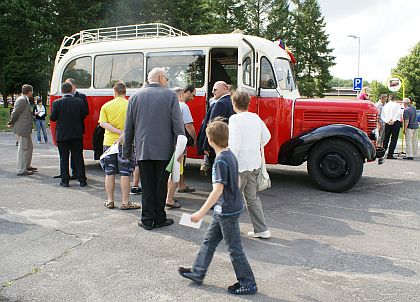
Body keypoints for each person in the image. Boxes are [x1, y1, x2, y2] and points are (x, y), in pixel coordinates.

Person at [179, 120, 257, 295]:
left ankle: (248, 282)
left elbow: (217, 190)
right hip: (227, 208)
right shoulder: (230, 155)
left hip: (225, 210)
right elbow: (235, 181)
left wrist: (200, 213)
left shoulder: (220, 161)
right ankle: (198, 272)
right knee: (209, 241)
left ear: (210, 139)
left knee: (234, 248)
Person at [123, 67, 185, 230]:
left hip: (143, 149)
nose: (167, 81)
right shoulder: (170, 95)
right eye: (166, 77)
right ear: (160, 78)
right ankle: (159, 217)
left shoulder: (135, 96)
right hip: (165, 150)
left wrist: (126, 151)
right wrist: (180, 149)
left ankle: (147, 219)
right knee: (160, 184)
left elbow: (128, 127)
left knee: (147, 185)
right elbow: (178, 125)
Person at [229, 91, 272, 239]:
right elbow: (267, 137)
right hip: (254, 163)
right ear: (248, 103)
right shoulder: (256, 117)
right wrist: (254, 146)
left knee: (232, 199)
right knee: (252, 198)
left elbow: (234, 144)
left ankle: (230, 231)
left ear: (234, 104)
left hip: (240, 165)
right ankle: (261, 229)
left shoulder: (234, 119)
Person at [99, 82, 141, 210]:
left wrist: (116, 132)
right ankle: (125, 202)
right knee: (125, 173)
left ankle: (110, 200)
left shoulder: (106, 105)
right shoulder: (130, 105)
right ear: (125, 92)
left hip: (109, 144)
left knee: (109, 173)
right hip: (125, 144)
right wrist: (123, 133)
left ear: (115, 92)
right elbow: (135, 124)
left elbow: (102, 123)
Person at [50, 82, 88, 187]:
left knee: (64, 158)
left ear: (62, 91)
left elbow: (53, 118)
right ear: (72, 90)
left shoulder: (56, 103)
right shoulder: (79, 102)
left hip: (62, 135)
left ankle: (65, 181)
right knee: (78, 157)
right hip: (76, 134)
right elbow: (84, 114)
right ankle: (82, 180)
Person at [165, 85, 197, 209]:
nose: (193, 98)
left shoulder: (164, 106)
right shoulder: (183, 106)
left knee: (166, 169)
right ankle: (169, 198)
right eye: (192, 95)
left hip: (164, 142)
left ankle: (177, 189)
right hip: (177, 142)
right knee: (176, 169)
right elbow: (188, 125)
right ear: (181, 94)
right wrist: (194, 138)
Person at [197, 81, 235, 176]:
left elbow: (212, 126)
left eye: (215, 89)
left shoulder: (220, 103)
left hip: (216, 144)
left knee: (216, 173)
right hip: (226, 142)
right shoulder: (231, 102)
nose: (213, 92)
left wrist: (206, 146)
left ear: (225, 88)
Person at [7, 84, 37, 176]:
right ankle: (21, 169)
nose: (32, 93)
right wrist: (11, 122)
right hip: (22, 128)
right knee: (23, 148)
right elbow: (15, 112)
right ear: (29, 91)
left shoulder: (24, 99)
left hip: (25, 128)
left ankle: (27, 165)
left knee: (29, 147)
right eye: (32, 91)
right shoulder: (22, 100)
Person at [381, 93, 402, 159]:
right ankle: (390, 154)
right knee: (394, 138)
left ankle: (383, 153)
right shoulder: (398, 105)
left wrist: (387, 121)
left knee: (386, 138)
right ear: (395, 99)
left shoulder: (385, 106)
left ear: (389, 98)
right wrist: (394, 120)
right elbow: (398, 113)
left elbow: (382, 115)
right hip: (396, 122)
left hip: (388, 122)